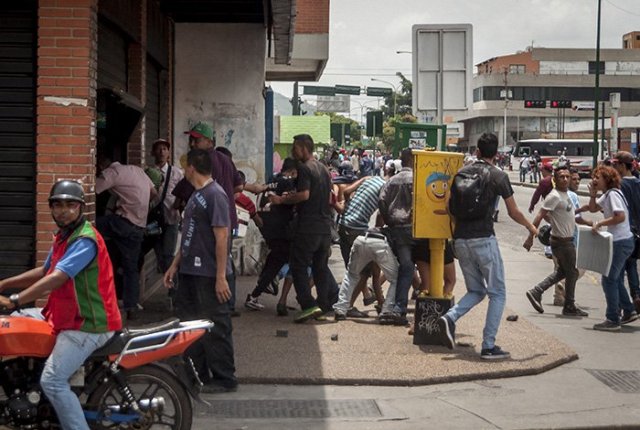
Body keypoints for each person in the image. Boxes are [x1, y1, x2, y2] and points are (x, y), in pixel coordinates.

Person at [0, 180, 121, 430]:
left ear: (81, 208)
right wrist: (3, 284)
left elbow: (57, 277)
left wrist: (15, 299)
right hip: (62, 315)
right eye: (57, 205)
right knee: (15, 321)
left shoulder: (84, 241)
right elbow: (44, 270)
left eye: (70, 205)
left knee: (53, 380)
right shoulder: (65, 237)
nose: (63, 210)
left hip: (88, 324)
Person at [438, 133, 537, 360]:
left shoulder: (461, 173)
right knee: (498, 293)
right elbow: (513, 212)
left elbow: (448, 206)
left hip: (461, 241)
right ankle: (488, 345)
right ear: (496, 154)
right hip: (484, 240)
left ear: (478, 152)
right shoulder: (498, 176)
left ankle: (450, 317)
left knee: (477, 290)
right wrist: (532, 228)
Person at [163, 148, 237, 392]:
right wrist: (175, 265)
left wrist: (220, 277)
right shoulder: (196, 196)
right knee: (192, 326)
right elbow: (189, 236)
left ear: (192, 167)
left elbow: (222, 237)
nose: (184, 170)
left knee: (216, 326)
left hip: (209, 275)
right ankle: (198, 374)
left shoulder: (216, 195)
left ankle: (224, 378)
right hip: (190, 273)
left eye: (186, 166)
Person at [171, 122, 243, 315]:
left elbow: (180, 197)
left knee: (211, 268)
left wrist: (219, 278)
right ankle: (227, 303)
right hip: (225, 220)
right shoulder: (225, 161)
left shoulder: (203, 171)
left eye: (196, 139)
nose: (192, 143)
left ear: (209, 141)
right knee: (223, 260)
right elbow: (239, 186)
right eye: (191, 139)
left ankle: (218, 304)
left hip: (210, 226)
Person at [268, 134, 338, 322]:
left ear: (304, 148)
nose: (293, 151)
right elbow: (325, 195)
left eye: (295, 148)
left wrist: (282, 199)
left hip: (308, 227)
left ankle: (308, 305)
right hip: (325, 228)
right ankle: (322, 306)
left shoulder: (305, 168)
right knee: (320, 268)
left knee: (298, 266)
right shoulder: (323, 169)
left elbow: (305, 195)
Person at [96, 155, 157, 320]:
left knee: (89, 227)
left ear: (102, 164)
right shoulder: (138, 171)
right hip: (138, 226)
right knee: (131, 268)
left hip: (122, 223)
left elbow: (92, 189)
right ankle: (131, 306)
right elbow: (154, 193)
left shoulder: (112, 172)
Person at [523, 167, 588, 317]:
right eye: (561, 177)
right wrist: (530, 237)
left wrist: (590, 222)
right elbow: (539, 216)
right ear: (555, 179)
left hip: (567, 240)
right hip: (561, 242)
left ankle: (537, 291)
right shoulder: (554, 196)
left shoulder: (567, 196)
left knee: (563, 272)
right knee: (572, 272)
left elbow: (570, 215)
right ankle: (569, 305)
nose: (565, 179)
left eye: (567, 177)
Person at [581, 165, 639, 331]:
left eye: (597, 177)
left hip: (620, 242)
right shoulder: (608, 194)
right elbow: (593, 208)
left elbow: (619, 216)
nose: (594, 180)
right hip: (621, 241)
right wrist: (592, 196)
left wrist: (600, 223)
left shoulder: (613, 194)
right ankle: (628, 310)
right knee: (616, 278)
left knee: (608, 279)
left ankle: (613, 319)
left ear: (607, 179)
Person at [244, 158, 298, 312]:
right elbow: (291, 201)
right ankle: (262, 287)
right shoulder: (288, 182)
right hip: (280, 229)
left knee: (275, 258)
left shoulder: (272, 180)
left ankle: (265, 284)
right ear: (293, 171)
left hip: (267, 227)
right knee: (281, 259)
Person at [377, 148, 415, 326]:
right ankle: (400, 306)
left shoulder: (391, 181)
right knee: (410, 268)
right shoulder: (417, 180)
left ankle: (396, 306)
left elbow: (382, 202)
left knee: (405, 266)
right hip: (414, 228)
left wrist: (390, 220)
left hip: (396, 229)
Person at [611, 151, 640, 312]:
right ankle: (636, 295)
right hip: (637, 233)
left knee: (617, 272)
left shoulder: (620, 185)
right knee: (631, 265)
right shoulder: (638, 182)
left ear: (622, 165)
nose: (614, 167)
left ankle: (622, 306)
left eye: (616, 164)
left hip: (624, 232)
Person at [149, 139, 184, 273]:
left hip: (171, 218)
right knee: (159, 254)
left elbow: (183, 193)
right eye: (159, 149)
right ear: (153, 152)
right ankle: (170, 278)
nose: (162, 152)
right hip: (153, 219)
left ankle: (173, 289)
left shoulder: (176, 173)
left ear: (169, 152)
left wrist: (179, 207)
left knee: (168, 254)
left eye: (164, 149)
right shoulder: (148, 172)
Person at [529, 163, 554, 258]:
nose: (541, 172)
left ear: (545, 170)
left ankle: (549, 249)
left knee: (549, 227)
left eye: (542, 170)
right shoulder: (556, 179)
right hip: (559, 206)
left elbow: (537, 194)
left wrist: (532, 205)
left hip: (549, 207)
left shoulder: (545, 181)